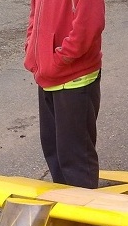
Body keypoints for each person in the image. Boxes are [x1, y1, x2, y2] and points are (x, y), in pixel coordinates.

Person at [24, 0, 105, 189]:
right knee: (53, 150)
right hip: (48, 75)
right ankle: (65, 201)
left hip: (75, 78)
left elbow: (90, 24)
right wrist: (31, 48)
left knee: (75, 157)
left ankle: (82, 206)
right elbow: (35, 14)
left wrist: (61, 59)